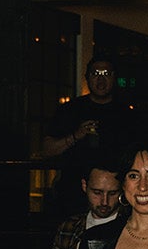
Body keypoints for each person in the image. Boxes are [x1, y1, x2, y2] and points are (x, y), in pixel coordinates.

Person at [41, 57, 141, 214]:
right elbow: (47, 150)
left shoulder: (128, 115)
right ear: (87, 78)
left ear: (114, 78)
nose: (101, 79)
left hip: (115, 198)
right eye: (96, 73)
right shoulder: (70, 110)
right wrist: (75, 136)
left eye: (106, 73)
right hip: (72, 197)